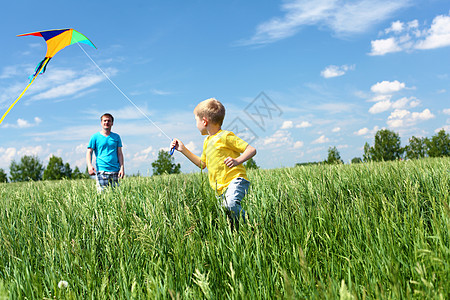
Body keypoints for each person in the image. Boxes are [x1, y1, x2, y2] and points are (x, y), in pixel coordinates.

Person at [171, 98, 256, 230]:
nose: (196, 124)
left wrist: (237, 161)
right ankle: (241, 233)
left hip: (236, 180)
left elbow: (251, 150)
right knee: (228, 215)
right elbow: (202, 164)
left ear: (204, 121)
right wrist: (183, 149)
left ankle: (251, 225)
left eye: (196, 120)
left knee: (230, 205)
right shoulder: (207, 141)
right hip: (220, 189)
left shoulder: (225, 136)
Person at [86, 113, 124, 192]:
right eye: (105, 121)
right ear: (101, 123)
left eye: (109, 121)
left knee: (116, 195)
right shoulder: (95, 137)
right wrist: (89, 166)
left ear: (112, 123)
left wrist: (122, 168)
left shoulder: (116, 137)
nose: (106, 122)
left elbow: (120, 153)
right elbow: (89, 152)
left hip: (115, 171)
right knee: (102, 196)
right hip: (101, 171)